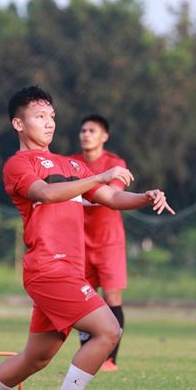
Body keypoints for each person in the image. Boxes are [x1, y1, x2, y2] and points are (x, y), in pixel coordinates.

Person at [0, 86, 174, 390]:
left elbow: (111, 197)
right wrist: (97, 176)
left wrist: (145, 197)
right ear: (18, 124)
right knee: (109, 331)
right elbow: (46, 193)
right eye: (39, 116)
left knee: (36, 359)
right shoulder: (18, 164)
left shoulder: (72, 166)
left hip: (68, 269)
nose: (49, 123)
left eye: (52, 116)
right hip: (48, 268)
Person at [70, 114, 128, 372]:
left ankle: (109, 359)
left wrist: (79, 193)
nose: (86, 134)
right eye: (83, 130)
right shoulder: (72, 163)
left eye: (92, 130)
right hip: (78, 243)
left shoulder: (114, 163)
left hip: (109, 242)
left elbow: (112, 195)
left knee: (112, 297)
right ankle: (86, 353)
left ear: (104, 136)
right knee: (83, 298)